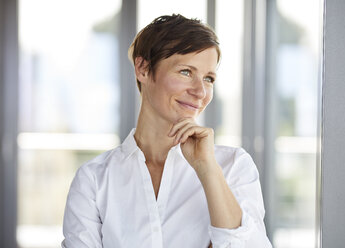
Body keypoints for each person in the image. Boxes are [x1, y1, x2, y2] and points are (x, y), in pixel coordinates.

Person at [62, 14, 272, 248]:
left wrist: (208, 170)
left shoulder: (233, 167)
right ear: (142, 68)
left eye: (209, 78)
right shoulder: (94, 180)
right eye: (186, 72)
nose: (200, 91)